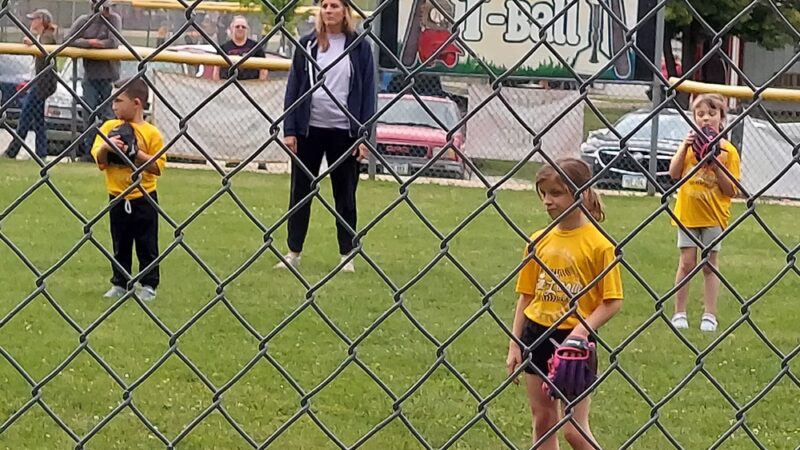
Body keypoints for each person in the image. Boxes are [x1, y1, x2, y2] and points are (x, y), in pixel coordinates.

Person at [506, 158, 623, 449]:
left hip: (575, 343)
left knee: (573, 429)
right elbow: (526, 297)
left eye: (556, 193)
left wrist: (582, 332)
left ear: (580, 193)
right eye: (543, 193)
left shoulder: (599, 244)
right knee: (543, 421)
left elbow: (612, 301)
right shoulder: (538, 241)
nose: (547, 201)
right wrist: (515, 344)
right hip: (536, 333)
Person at [277, 0, 375, 272]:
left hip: (345, 131)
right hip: (310, 129)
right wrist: (290, 130)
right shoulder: (307, 45)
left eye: (334, 5)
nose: (329, 10)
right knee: (300, 192)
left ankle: (347, 255)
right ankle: (293, 252)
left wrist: (363, 134)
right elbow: (294, 88)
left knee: (345, 195)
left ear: (345, 11)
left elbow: (368, 93)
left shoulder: (359, 47)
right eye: (324, 5)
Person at [668, 93, 741, 332]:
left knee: (710, 265)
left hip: (714, 216)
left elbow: (731, 190)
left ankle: (709, 315)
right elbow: (673, 173)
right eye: (700, 115)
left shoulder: (728, 151)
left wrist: (716, 163)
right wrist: (685, 146)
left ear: (722, 118)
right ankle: (680, 313)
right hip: (687, 214)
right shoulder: (688, 146)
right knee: (686, 262)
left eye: (712, 114)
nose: (705, 119)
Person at [91, 79, 166, 302]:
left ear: (136, 103)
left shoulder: (152, 133)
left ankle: (149, 284)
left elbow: (157, 167)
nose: (114, 106)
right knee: (120, 242)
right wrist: (108, 146)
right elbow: (100, 160)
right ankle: (120, 283)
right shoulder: (107, 129)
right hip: (117, 196)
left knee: (146, 243)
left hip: (144, 198)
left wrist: (134, 153)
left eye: (118, 101)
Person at [65, 0, 122, 160]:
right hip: (90, 76)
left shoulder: (114, 20)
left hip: (109, 76)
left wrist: (98, 45)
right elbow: (68, 39)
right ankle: (90, 152)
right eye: (103, 7)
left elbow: (113, 42)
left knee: (109, 115)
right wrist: (90, 43)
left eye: (108, 7)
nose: (107, 10)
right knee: (88, 113)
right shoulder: (85, 21)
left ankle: (110, 151)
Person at [3, 9, 58, 159]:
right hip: (38, 84)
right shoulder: (41, 36)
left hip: (42, 85)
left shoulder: (47, 36)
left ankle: (12, 152)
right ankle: (41, 153)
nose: (32, 22)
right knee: (38, 120)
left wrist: (33, 42)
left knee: (25, 118)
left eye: (34, 19)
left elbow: (44, 49)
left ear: (42, 20)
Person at [213, 16, 268, 81]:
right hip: (228, 84)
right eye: (237, 26)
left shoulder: (256, 47)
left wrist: (260, 84)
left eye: (243, 27)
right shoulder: (223, 48)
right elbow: (216, 70)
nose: (240, 28)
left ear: (247, 29)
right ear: (231, 29)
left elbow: (263, 69)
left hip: (251, 84)